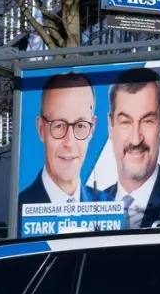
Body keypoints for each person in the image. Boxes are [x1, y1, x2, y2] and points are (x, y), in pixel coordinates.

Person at [102, 67, 160, 228]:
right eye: (126, 122)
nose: (136, 139)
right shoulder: (92, 207)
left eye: (147, 121)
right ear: (110, 125)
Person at [18, 72, 105, 207]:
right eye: (59, 125)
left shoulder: (109, 208)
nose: (69, 143)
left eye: (80, 125)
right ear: (41, 129)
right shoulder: (18, 209)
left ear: (92, 129)